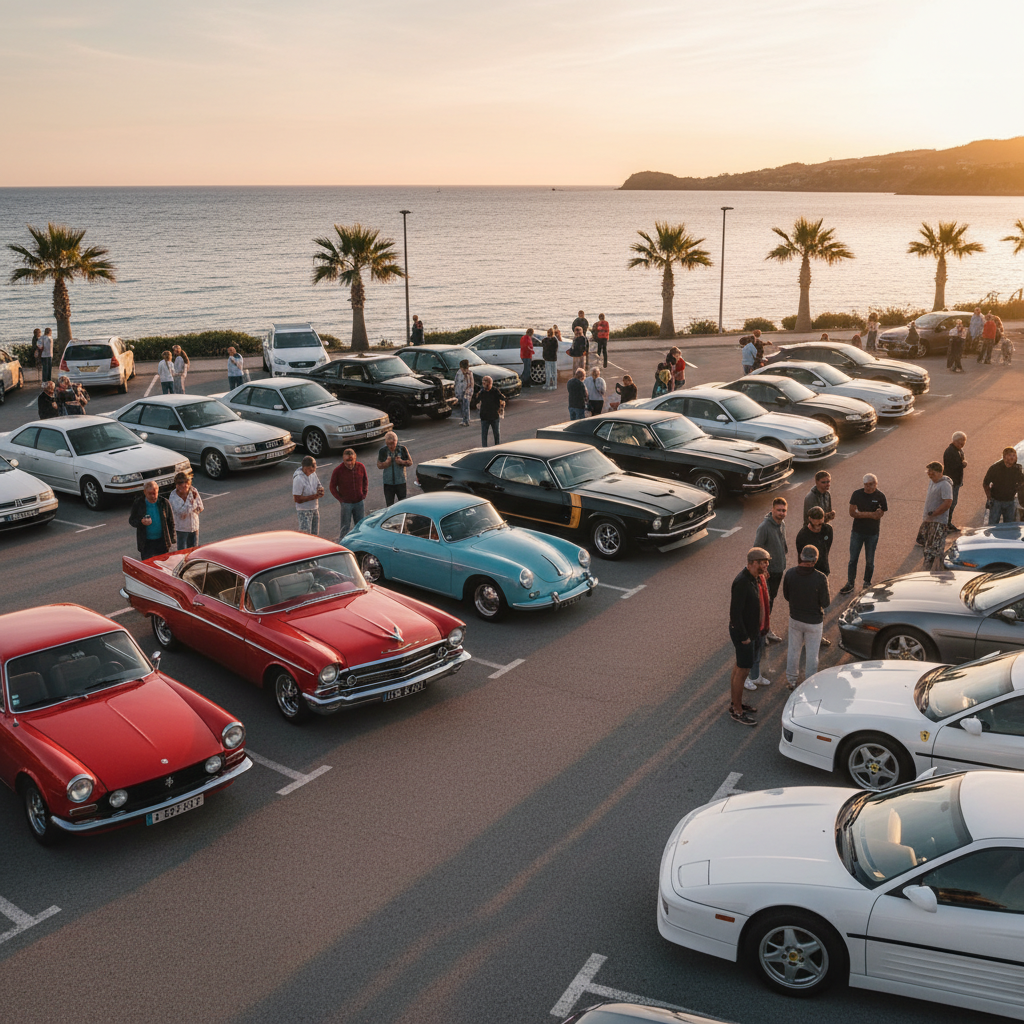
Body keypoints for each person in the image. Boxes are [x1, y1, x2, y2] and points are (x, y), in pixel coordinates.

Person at [728, 547, 772, 725]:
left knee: (739, 668)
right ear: (753, 563)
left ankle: (735, 703)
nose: (766, 565)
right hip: (743, 633)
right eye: (763, 562)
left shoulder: (755, 578)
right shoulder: (742, 582)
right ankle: (737, 711)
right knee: (742, 671)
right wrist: (745, 636)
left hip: (750, 631)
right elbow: (735, 614)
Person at [783, 545, 831, 690]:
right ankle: (809, 683)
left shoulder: (790, 574)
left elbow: (786, 595)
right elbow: (826, 602)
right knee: (812, 654)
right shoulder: (820, 578)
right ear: (815, 560)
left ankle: (791, 681)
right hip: (814, 622)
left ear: (801, 556)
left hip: (795, 619)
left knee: (793, 650)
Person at [839, 473, 887, 594]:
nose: (867, 487)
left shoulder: (881, 496)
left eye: (870, 484)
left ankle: (867, 583)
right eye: (865, 484)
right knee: (853, 560)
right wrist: (871, 514)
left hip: (872, 533)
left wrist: (860, 513)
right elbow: (852, 513)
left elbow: (879, 515)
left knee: (870, 560)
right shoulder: (857, 494)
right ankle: (850, 583)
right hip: (857, 532)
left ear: (876, 484)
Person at [796, 505, 834, 646]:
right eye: (815, 525)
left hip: (823, 571)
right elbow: (801, 558)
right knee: (808, 606)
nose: (818, 528)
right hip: (808, 575)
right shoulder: (802, 535)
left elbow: (826, 548)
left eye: (820, 524)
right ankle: (805, 635)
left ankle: (817, 635)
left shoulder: (828, 529)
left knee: (820, 608)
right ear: (809, 520)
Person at [753, 497, 788, 639]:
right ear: (772, 509)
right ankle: (762, 632)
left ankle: (765, 629)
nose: (781, 513)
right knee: (765, 602)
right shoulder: (764, 527)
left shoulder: (782, 523)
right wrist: (763, 570)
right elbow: (756, 550)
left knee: (770, 600)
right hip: (768, 572)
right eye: (779, 510)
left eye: (784, 510)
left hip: (779, 569)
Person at [129, 481, 176, 559]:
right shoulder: (139, 503)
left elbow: (171, 521)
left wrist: (171, 539)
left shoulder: (164, 503)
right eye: (150, 493)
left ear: (158, 491)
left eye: (155, 493)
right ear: (145, 492)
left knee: (163, 566)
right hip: (146, 543)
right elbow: (132, 520)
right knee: (148, 567)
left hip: (162, 541)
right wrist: (141, 522)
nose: (153, 496)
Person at [329, 448, 368, 541]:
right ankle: (343, 544)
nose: (350, 463)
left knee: (360, 525)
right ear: (343, 459)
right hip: (346, 503)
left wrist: (364, 493)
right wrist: (341, 500)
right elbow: (332, 487)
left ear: (355, 458)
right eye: (347, 460)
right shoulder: (338, 470)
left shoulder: (361, 467)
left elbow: (365, 480)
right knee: (345, 527)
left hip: (359, 502)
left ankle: (360, 543)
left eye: (351, 460)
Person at [921, 462, 953, 570]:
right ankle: (930, 568)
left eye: (933, 474)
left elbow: (948, 502)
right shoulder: (932, 481)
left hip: (938, 522)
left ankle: (933, 570)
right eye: (929, 474)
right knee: (928, 546)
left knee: (934, 548)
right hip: (929, 520)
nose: (930, 476)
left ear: (940, 473)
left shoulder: (945, 485)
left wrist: (934, 513)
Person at [982, 447, 1024, 525]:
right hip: (996, 501)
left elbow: (1022, 481)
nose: (1012, 457)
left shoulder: (1017, 468)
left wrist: (1018, 489)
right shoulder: (995, 468)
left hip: (1010, 501)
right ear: (1004, 457)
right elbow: (985, 483)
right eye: (1010, 455)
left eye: (1014, 455)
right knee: (993, 525)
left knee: (1010, 526)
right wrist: (989, 497)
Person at [168, 471, 204, 550]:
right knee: (182, 551)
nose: (184, 488)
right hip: (182, 529)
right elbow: (181, 513)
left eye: (186, 485)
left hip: (194, 527)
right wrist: (193, 504)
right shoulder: (173, 496)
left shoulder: (193, 491)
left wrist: (192, 507)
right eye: (179, 485)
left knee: (194, 551)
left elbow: (200, 507)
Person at [377, 432, 412, 505]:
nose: (390, 446)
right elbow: (379, 465)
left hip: (401, 481)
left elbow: (410, 462)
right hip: (388, 483)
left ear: (396, 441)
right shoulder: (383, 451)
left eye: (392, 443)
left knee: (402, 504)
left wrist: (401, 462)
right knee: (389, 505)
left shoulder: (402, 449)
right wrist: (386, 463)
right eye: (388, 444)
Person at [942, 431, 967, 531]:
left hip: (956, 481)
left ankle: (948, 523)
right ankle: (945, 524)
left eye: (964, 442)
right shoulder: (950, 452)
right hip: (951, 482)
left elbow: (962, 459)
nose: (963, 444)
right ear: (956, 441)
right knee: (949, 504)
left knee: (953, 503)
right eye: (961, 442)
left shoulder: (959, 450)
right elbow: (954, 466)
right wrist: (963, 464)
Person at [292, 455, 324, 534]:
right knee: (306, 535)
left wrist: (320, 489)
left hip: (314, 508)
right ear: (305, 468)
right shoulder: (298, 479)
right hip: (304, 511)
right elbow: (297, 499)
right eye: (310, 469)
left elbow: (318, 484)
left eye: (314, 468)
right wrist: (314, 496)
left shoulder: (313, 473)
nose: (313, 471)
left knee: (315, 534)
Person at [477, 375, 504, 445]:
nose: (484, 385)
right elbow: (477, 400)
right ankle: (485, 449)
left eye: (486, 383)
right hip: (485, 416)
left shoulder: (495, 391)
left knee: (496, 434)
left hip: (494, 416)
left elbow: (502, 398)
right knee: (484, 435)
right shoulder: (482, 392)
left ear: (490, 383)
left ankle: (497, 447)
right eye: (483, 383)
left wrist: (500, 408)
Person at [453, 359, 474, 425]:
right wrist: (456, 391)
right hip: (460, 391)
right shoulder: (459, 373)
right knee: (462, 406)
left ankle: (467, 420)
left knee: (466, 406)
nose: (463, 370)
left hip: (467, 392)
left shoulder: (469, 373)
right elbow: (456, 381)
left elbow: (469, 384)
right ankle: (464, 419)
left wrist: (467, 392)